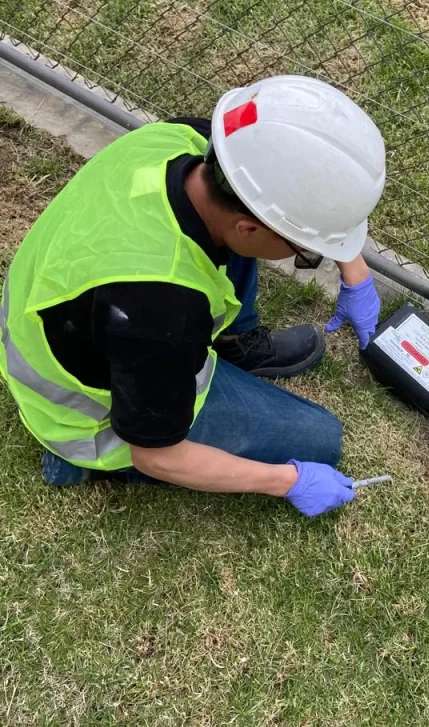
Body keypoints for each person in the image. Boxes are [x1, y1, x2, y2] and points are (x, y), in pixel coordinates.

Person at [0, 76, 386, 518]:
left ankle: (234, 345)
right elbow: (158, 455)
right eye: (307, 252)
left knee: (229, 248)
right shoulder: (161, 312)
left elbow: (277, 190)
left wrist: (355, 275)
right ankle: (83, 459)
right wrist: (288, 481)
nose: (307, 256)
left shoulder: (186, 142)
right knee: (321, 441)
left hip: (64, 314)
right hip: (76, 407)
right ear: (250, 227)